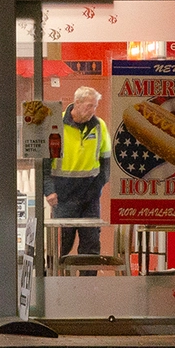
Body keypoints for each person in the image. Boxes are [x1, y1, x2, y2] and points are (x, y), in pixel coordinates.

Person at [44, 86, 111, 274]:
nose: (93, 111)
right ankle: (54, 289)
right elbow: (45, 164)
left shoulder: (98, 126)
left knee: (90, 248)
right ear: (77, 103)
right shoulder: (57, 125)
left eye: (95, 106)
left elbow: (106, 162)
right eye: (90, 106)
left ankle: (87, 291)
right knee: (60, 248)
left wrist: (97, 186)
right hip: (63, 197)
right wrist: (49, 190)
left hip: (89, 198)